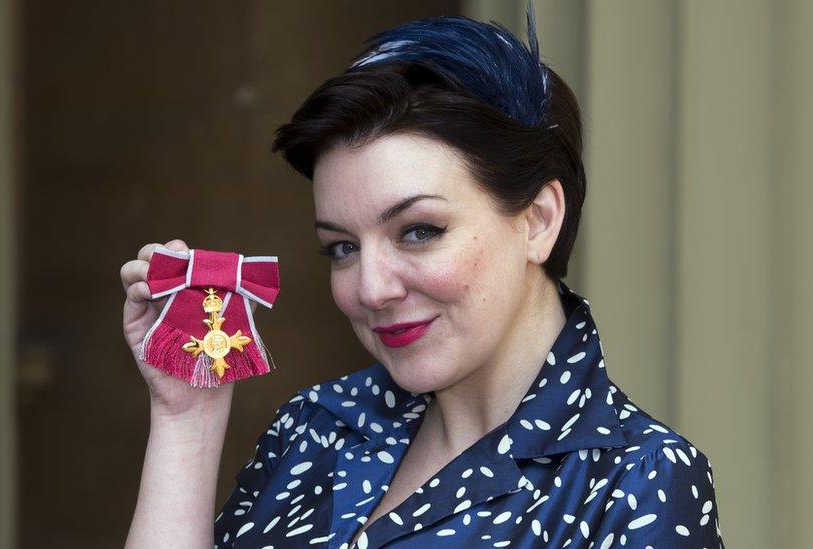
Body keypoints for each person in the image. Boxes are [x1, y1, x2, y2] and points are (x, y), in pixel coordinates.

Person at [122, 4, 724, 548]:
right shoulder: (319, 425)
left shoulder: (639, 480)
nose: (370, 288)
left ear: (538, 220)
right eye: (341, 248)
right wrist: (186, 421)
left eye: (418, 231)